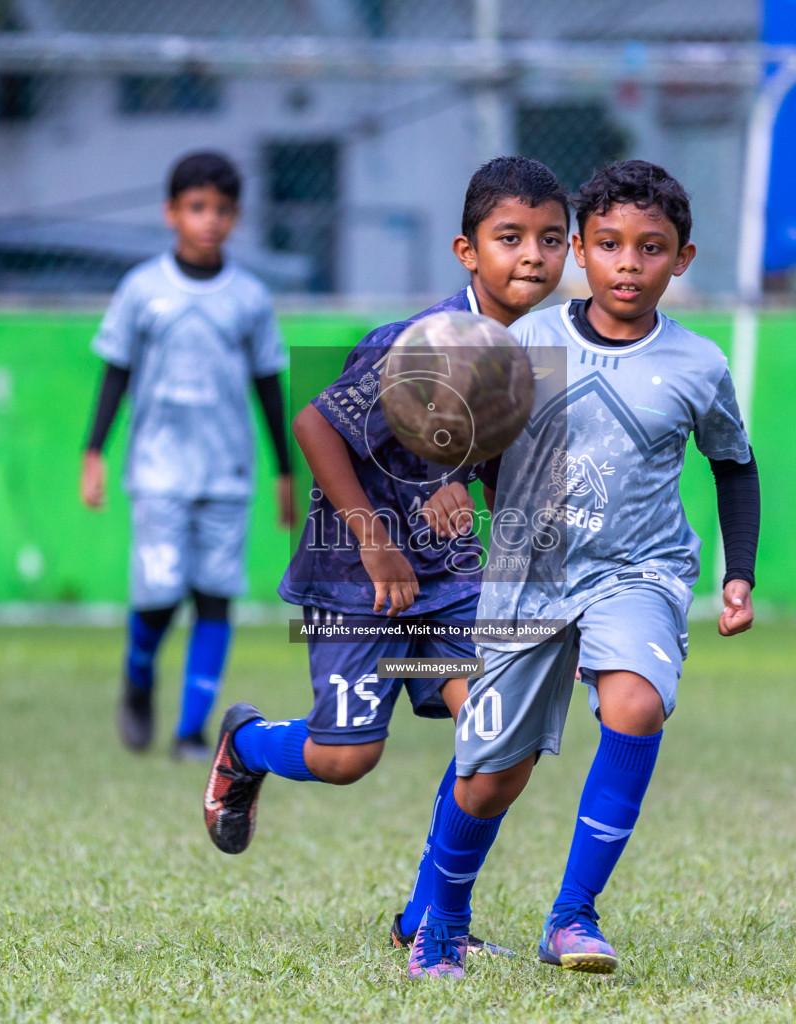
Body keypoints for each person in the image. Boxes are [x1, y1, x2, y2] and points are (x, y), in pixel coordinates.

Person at [200, 156, 571, 954]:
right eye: (510, 237)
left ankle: (431, 919)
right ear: (467, 251)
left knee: (495, 732)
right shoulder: (425, 342)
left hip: (449, 583)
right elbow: (316, 427)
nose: (532, 255)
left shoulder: (535, 354)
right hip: (359, 580)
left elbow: (501, 480)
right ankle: (248, 744)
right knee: (347, 758)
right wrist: (379, 541)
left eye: (551, 238)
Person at [405, 160, 761, 979]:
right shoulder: (527, 340)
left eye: (650, 248)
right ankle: (442, 922)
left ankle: (573, 915)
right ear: (579, 253)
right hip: (528, 578)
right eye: (608, 245)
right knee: (492, 779)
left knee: (634, 706)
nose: (628, 264)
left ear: (684, 258)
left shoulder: (699, 364)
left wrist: (738, 572)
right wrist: (450, 479)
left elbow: (734, 466)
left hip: (639, 571)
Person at [80, 151, 295, 761]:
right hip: (157, 470)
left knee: (214, 594)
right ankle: (139, 677)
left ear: (235, 218)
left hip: (227, 473)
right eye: (197, 207)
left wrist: (284, 468)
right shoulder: (143, 290)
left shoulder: (248, 298)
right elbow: (116, 370)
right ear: (171, 212)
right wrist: (92, 451)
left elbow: (266, 385)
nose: (209, 221)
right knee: (158, 592)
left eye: (222, 210)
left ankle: (191, 732)